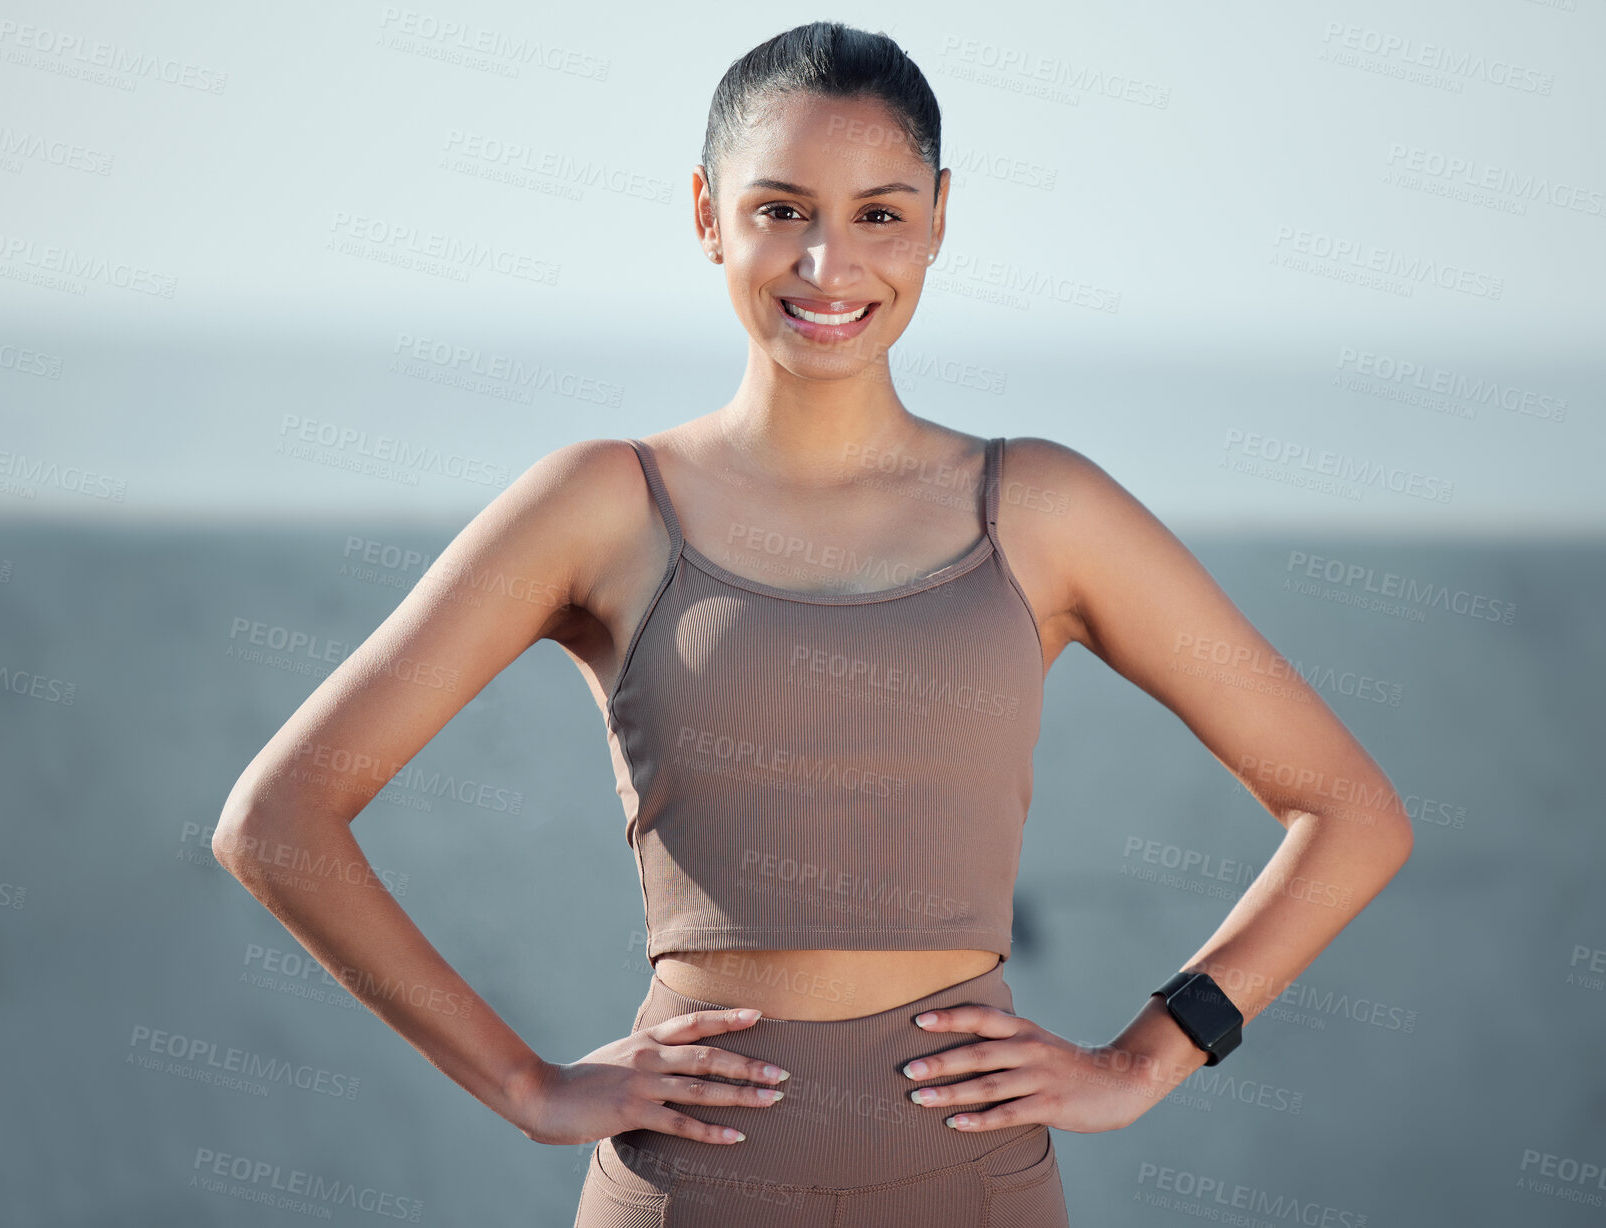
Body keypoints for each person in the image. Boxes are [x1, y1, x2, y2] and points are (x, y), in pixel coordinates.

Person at [214, 21, 1415, 1227]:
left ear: (939, 219)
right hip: (691, 1183)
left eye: (879, 215)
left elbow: (1349, 813)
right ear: (704, 213)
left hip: (974, 1186)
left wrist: (1149, 1056)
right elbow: (278, 819)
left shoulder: (1044, 509)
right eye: (780, 210)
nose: (827, 264)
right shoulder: (597, 504)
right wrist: (526, 1085)